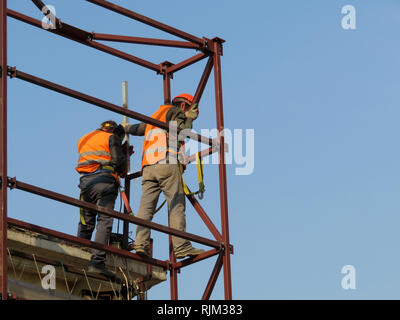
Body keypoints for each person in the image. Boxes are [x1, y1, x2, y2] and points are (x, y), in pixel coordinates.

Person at [124, 93, 205, 259]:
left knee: (146, 207)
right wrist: (189, 118)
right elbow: (184, 132)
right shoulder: (176, 112)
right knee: (176, 205)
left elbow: (137, 129)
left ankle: (140, 243)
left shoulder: (155, 116)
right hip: (167, 163)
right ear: (184, 106)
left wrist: (125, 127)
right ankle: (181, 247)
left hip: (148, 168)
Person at [75, 120, 128, 278]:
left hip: (85, 182)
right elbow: (118, 164)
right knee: (104, 220)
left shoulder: (85, 138)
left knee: (86, 220)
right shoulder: (111, 137)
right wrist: (124, 154)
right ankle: (97, 261)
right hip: (104, 181)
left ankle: (77, 255)